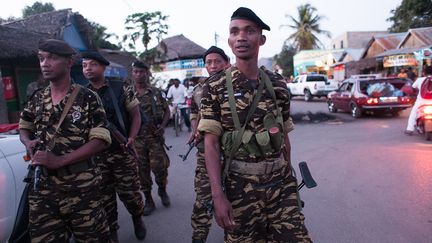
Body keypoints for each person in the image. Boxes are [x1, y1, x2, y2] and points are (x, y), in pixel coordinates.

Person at [198, 7, 311, 242]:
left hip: (281, 185)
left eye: (249, 31)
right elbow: (211, 145)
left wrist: (289, 181)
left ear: (261, 39)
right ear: (229, 40)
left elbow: (284, 137)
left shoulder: (277, 83)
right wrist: (218, 196)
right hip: (240, 189)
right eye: (235, 31)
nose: (241, 37)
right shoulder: (215, 86)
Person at [19, 39, 111, 242]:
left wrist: (60, 160)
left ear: (69, 62)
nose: (45, 63)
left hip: (82, 187)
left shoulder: (88, 98)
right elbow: (24, 126)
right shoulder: (37, 98)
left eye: (52, 58)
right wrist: (28, 142)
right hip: (43, 188)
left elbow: (101, 139)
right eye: (41, 58)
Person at [82, 52, 146, 241]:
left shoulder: (120, 87)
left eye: (93, 65)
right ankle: (113, 232)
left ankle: (137, 217)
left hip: (121, 151)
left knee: (130, 194)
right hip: (97, 155)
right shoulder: (82, 94)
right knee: (104, 198)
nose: (88, 69)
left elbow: (136, 115)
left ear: (103, 67)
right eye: (84, 65)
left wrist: (132, 137)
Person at [189, 46, 230, 243]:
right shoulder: (198, 89)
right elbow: (194, 112)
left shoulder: (235, 86)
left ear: (226, 63)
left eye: (217, 61)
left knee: (236, 200)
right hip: (205, 152)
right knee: (204, 198)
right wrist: (195, 129)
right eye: (209, 62)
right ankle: (199, 237)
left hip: (232, 153)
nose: (213, 66)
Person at [131, 61, 172, 215]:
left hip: (154, 138)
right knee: (142, 172)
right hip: (137, 139)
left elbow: (167, 111)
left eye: (141, 71)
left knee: (160, 168)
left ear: (147, 73)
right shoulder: (128, 93)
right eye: (135, 71)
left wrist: (163, 126)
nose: (138, 74)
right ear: (132, 73)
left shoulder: (156, 92)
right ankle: (148, 200)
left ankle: (162, 190)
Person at [405, 65, 432, 135]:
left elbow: (413, 87)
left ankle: (409, 129)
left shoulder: (420, 79)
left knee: (413, 113)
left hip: (421, 101)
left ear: (424, 73)